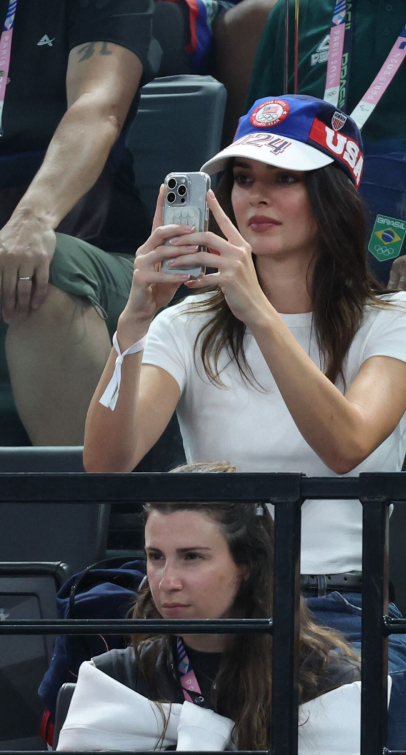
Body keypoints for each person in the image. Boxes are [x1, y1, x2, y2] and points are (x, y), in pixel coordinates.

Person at [84, 94, 406, 748]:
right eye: (244, 179)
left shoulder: (397, 318)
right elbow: (107, 461)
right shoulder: (184, 325)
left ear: (333, 194)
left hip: (342, 608)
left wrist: (257, 311)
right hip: (215, 610)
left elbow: (347, 444)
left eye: (285, 180)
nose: (256, 197)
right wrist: (133, 319)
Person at [245, 0, 406, 449]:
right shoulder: (299, 12)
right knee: (203, 281)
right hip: (316, 236)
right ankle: (193, 505)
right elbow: (256, 147)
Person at [57, 461, 370, 754]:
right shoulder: (113, 681)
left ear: (247, 564)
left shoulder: (331, 686)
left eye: (192, 557)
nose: (167, 582)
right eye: (156, 557)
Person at [0, 0, 192, 446]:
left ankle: (75, 511)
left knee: (41, 267)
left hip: (96, 243)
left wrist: (33, 217)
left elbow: (99, 106)